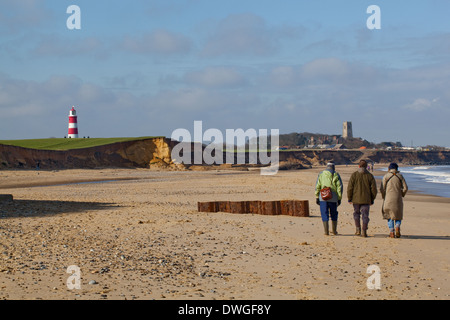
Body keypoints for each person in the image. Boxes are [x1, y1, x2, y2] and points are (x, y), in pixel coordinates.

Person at [347, 160, 377, 237]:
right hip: (366, 200)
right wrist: (372, 199)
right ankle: (364, 230)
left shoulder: (354, 175)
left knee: (356, 214)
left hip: (356, 199)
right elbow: (374, 189)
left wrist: (349, 198)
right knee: (365, 215)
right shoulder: (370, 176)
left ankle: (358, 229)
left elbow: (350, 188)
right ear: (366, 166)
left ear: (359, 166)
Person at [380, 163, 408, 238]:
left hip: (388, 198)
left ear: (389, 169)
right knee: (398, 215)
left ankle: (392, 231)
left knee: (389, 215)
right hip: (398, 198)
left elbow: (382, 188)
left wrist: (384, 196)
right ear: (397, 169)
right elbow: (405, 188)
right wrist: (401, 194)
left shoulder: (386, 176)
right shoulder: (400, 176)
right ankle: (397, 226)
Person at [315, 162, 343, 235]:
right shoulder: (336, 174)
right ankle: (334, 231)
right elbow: (339, 187)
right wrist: (339, 198)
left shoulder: (321, 174)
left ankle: (326, 231)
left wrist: (317, 196)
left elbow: (318, 185)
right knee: (334, 213)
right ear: (333, 167)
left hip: (323, 196)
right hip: (333, 196)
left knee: (324, 213)